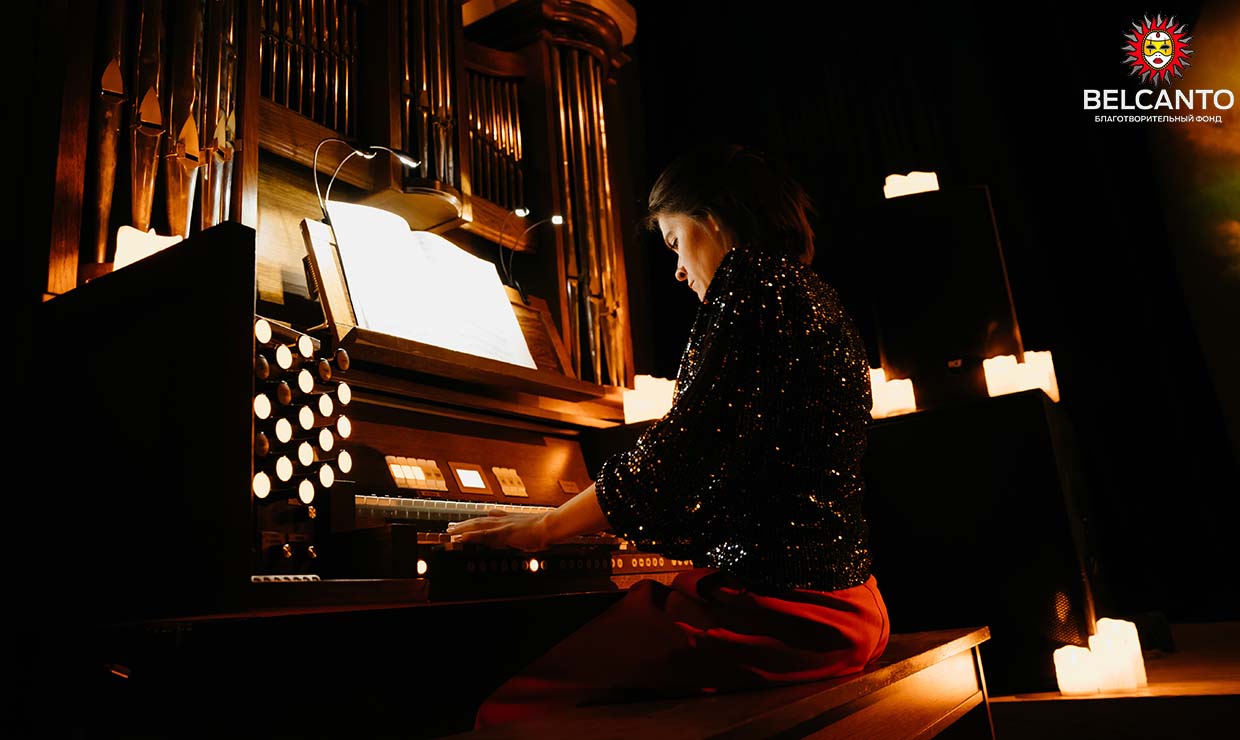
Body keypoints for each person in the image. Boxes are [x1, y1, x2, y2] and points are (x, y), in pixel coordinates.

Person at [446, 143, 889, 729]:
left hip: (787, 615)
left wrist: (545, 527)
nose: (678, 270)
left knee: (510, 713)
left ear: (712, 218)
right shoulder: (808, 292)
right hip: (844, 600)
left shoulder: (752, 285)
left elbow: (681, 456)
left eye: (675, 241)